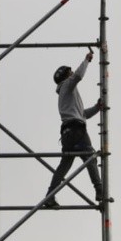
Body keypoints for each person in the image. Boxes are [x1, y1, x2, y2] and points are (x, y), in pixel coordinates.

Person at [43, 50, 103, 208]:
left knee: (64, 166)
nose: (71, 74)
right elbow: (78, 76)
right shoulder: (66, 86)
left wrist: (97, 107)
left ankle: (49, 196)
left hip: (69, 133)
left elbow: (83, 114)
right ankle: (99, 190)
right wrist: (87, 60)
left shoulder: (67, 94)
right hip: (77, 131)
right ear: (65, 76)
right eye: (69, 72)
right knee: (90, 157)